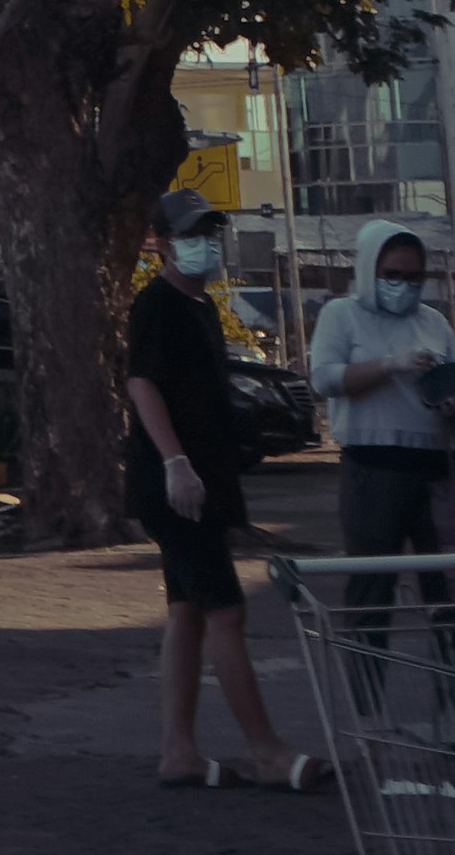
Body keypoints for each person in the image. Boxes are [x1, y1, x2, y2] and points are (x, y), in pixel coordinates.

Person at [126, 190, 322, 790]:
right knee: (226, 612)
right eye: (190, 232)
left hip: (202, 481)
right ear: (158, 239)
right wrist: (176, 462)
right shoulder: (156, 304)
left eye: (210, 231)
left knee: (187, 612)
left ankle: (178, 751)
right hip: (176, 485)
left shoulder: (203, 308)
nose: (203, 243)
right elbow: (142, 384)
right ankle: (266, 750)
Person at [306, 216, 455, 708]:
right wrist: (390, 365)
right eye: (393, 274)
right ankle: (368, 709)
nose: (405, 286)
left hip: (436, 464)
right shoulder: (343, 314)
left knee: (451, 591)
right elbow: (325, 378)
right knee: (373, 590)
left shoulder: (433, 322)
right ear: (370, 269)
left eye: (416, 277)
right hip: (373, 466)